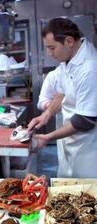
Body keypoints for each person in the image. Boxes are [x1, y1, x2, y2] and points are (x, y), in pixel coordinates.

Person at [28, 18, 97, 178]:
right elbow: (61, 93)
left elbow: (85, 120)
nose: (49, 53)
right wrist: (46, 115)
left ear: (69, 41)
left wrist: (47, 137)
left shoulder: (89, 68)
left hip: (88, 148)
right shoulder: (68, 61)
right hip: (71, 140)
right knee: (66, 188)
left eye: (52, 48)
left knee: (86, 195)